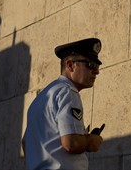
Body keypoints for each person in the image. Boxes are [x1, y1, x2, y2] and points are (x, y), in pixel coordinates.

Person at [23, 38, 104, 170]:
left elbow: (25, 144)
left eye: (97, 66)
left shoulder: (39, 100)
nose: (96, 71)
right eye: (90, 65)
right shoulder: (67, 92)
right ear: (71, 65)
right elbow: (71, 143)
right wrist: (91, 141)